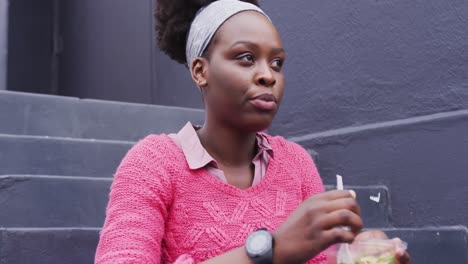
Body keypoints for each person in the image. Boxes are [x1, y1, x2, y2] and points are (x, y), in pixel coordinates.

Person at [95, 0, 411, 263]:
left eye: (276, 63)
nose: (267, 76)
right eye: (247, 58)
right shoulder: (153, 164)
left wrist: (357, 256)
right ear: (200, 71)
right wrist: (270, 249)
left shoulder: (296, 163)